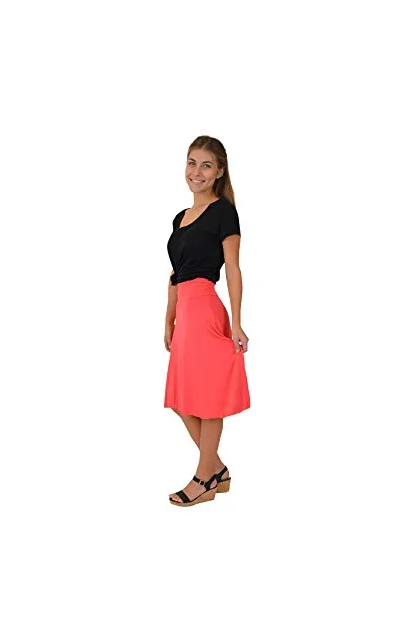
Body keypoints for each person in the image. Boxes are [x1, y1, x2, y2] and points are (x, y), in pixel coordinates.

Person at [164, 135, 251, 507]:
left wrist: (237, 322)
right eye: (191, 162)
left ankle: (204, 478)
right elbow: (175, 274)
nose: (196, 172)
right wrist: (168, 319)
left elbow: (232, 268)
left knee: (206, 398)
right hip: (185, 313)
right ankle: (216, 469)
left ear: (219, 172)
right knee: (180, 398)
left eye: (206, 165)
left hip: (205, 311)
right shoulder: (179, 218)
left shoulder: (223, 212)